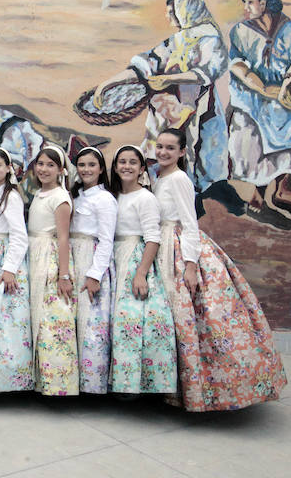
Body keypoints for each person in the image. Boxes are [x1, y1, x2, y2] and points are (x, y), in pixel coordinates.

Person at [153, 128, 287, 411]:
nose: (163, 152)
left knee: (190, 319)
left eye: (169, 148)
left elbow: (190, 223)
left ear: (181, 152)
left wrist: (190, 266)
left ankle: (207, 388)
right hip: (162, 244)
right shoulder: (159, 176)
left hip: (178, 248)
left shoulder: (178, 179)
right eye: (160, 146)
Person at [93, 0, 242, 217]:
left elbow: (204, 74)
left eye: (173, 12)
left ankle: (203, 204)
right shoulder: (176, 40)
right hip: (169, 110)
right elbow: (146, 63)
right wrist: (107, 84)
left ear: (187, 12)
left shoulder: (209, 38)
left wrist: (167, 79)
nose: (169, 17)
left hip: (199, 110)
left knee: (201, 158)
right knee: (165, 156)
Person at [227, 0, 291, 225]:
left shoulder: (288, 28)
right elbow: (238, 66)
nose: (246, 8)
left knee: (290, 122)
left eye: (250, 2)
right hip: (251, 93)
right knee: (255, 133)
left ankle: (282, 187)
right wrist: (265, 89)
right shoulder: (240, 30)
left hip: (282, 90)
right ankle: (257, 195)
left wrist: (286, 86)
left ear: (264, 3)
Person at [108, 145, 177, 395]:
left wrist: (141, 273)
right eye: (122, 162)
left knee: (133, 322)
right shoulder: (112, 195)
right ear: (115, 168)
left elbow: (153, 238)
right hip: (113, 256)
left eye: (132, 162)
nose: (127, 166)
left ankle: (136, 384)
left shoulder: (145, 198)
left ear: (141, 168)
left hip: (134, 258)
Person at [0, 146, 33, 392]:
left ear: (8, 168)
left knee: (6, 320)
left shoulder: (10, 196)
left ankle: (10, 378)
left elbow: (19, 236)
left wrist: (9, 268)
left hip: (3, 258)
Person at [27, 145, 77, 396]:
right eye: (41, 164)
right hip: (34, 254)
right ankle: (38, 378)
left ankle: (58, 383)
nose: (44, 169)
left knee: (52, 321)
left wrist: (64, 275)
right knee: (35, 316)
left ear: (61, 170)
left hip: (49, 259)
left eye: (50, 165)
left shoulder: (60, 197)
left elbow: (64, 237)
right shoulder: (39, 193)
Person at [68, 147, 116, 394]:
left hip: (91, 258)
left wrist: (95, 274)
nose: (86, 170)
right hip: (73, 256)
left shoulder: (105, 199)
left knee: (91, 323)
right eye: (82, 165)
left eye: (91, 165)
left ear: (100, 169)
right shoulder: (75, 196)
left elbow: (107, 240)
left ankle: (92, 383)